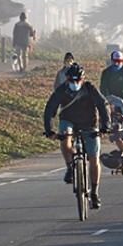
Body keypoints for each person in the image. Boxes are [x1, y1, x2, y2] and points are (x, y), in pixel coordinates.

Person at [42, 63, 109, 210]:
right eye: (71, 81)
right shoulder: (61, 91)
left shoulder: (90, 89)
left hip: (89, 123)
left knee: (94, 158)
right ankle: (70, 167)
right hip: (69, 121)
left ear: (83, 79)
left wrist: (105, 127)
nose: (74, 83)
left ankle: (94, 193)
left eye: (77, 80)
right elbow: (50, 109)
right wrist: (49, 130)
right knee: (65, 136)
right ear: (66, 79)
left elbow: (102, 106)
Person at [99, 51, 123, 151]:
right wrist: (108, 101)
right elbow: (103, 88)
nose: (117, 64)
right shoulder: (106, 72)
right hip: (112, 101)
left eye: (119, 61)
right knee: (114, 124)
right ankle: (118, 141)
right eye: (115, 61)